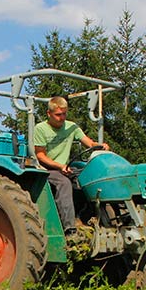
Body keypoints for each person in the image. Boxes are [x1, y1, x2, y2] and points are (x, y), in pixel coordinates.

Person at [33, 96, 110, 234]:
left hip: (66, 167)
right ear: (49, 114)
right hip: (46, 169)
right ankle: (69, 228)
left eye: (64, 114)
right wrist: (60, 166)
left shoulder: (71, 127)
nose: (61, 118)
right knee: (64, 183)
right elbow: (40, 156)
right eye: (58, 115)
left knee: (89, 178)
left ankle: (93, 219)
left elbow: (89, 142)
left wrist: (99, 146)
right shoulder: (40, 129)